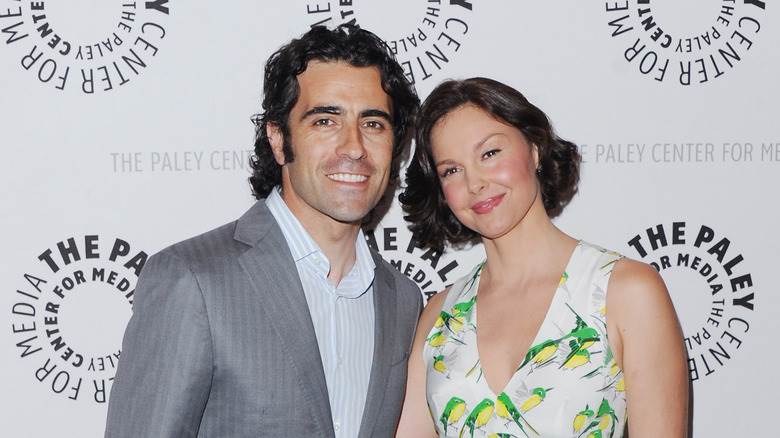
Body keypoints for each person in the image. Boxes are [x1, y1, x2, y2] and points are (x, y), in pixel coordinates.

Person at [105, 24, 421, 438]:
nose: (355, 146)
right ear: (278, 139)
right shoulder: (193, 279)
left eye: (374, 124)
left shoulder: (403, 300)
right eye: (326, 120)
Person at [396, 77, 688, 437]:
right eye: (452, 170)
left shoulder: (624, 291)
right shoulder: (441, 316)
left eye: (490, 154)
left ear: (534, 149)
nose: (475, 183)